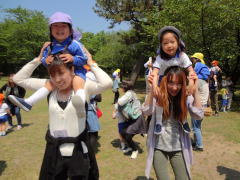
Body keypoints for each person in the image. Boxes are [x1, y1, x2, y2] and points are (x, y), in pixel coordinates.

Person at [10, 44, 112, 179]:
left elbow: (108, 83)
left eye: (61, 73)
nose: (57, 79)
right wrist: (38, 59)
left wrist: (91, 63)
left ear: (72, 70)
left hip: (78, 150)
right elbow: (18, 79)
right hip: (54, 150)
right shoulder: (48, 86)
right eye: (53, 74)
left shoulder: (83, 86)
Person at [8, 12, 88, 112]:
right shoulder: (49, 46)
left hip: (76, 73)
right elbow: (43, 60)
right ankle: (29, 102)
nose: (59, 29)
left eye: (63, 26)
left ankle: (80, 104)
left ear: (70, 31)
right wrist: (46, 60)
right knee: (50, 84)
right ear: (50, 30)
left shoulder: (75, 44)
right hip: (58, 75)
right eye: (55, 26)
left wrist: (73, 59)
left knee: (77, 82)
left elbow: (84, 59)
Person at [143, 66, 203, 180]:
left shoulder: (185, 97)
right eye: (171, 83)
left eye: (179, 83)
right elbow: (146, 111)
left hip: (179, 147)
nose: (175, 87)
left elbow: (198, 115)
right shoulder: (158, 94)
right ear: (165, 81)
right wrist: (151, 90)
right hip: (158, 147)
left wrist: (195, 92)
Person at [151, 26, 195, 134]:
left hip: (179, 82)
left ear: (178, 42)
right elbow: (154, 73)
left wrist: (191, 84)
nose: (169, 45)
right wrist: (154, 87)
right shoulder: (160, 58)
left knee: (182, 100)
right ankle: (158, 122)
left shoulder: (182, 55)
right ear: (161, 45)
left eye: (172, 42)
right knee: (160, 101)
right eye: (165, 43)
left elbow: (191, 72)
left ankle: (183, 120)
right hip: (164, 83)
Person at [117, 81, 147, 159]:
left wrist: (117, 104)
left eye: (121, 87)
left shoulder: (129, 94)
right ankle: (130, 147)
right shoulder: (131, 93)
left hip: (137, 118)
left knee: (128, 134)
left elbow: (119, 102)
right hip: (134, 117)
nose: (121, 88)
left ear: (124, 87)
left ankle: (135, 150)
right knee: (123, 132)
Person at [190, 52, 210, 151]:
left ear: (197, 60)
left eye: (193, 59)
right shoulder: (205, 81)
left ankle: (199, 146)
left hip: (197, 107)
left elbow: (191, 92)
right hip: (203, 105)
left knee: (195, 127)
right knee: (197, 126)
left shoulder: (198, 81)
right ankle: (196, 142)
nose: (192, 60)